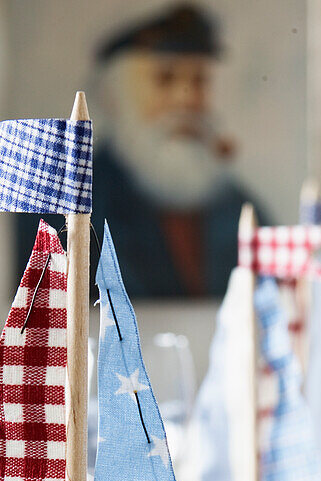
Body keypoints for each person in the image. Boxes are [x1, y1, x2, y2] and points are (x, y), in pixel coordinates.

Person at [14, 4, 269, 298]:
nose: (186, 100)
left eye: (199, 81)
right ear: (114, 97)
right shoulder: (60, 209)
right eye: (165, 79)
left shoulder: (240, 208)